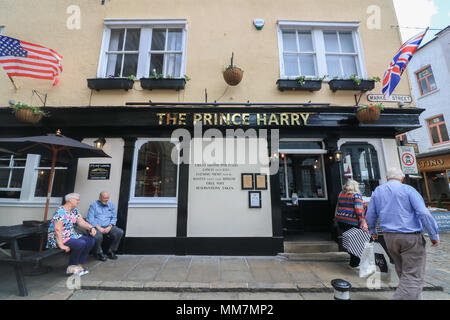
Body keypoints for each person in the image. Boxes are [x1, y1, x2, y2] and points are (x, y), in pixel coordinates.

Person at [366, 167, 440, 300]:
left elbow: (370, 214)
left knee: (404, 273)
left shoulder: (378, 191)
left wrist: (372, 230)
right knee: (413, 276)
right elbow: (423, 213)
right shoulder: (408, 190)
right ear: (402, 178)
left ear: (387, 178)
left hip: (389, 237)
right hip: (410, 237)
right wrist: (434, 235)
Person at [47, 193, 96, 276]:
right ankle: (71, 267)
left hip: (71, 236)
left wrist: (91, 228)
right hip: (58, 238)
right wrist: (61, 245)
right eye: (77, 199)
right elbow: (57, 229)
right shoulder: (60, 211)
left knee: (90, 241)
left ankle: (79, 264)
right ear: (70, 200)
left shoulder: (74, 210)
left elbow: (81, 222)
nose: (79, 201)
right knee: (80, 243)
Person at [335, 179, 368, 268]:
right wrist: (363, 220)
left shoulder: (341, 194)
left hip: (342, 221)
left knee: (349, 241)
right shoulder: (356, 195)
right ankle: (355, 263)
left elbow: (340, 206)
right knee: (356, 242)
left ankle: (352, 261)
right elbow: (359, 210)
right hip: (352, 221)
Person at [87, 191, 124, 261]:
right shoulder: (93, 205)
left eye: (107, 198)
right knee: (98, 236)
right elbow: (90, 219)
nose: (106, 199)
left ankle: (111, 251)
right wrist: (99, 228)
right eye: (104, 198)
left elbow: (114, 217)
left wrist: (110, 226)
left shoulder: (111, 205)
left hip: (108, 226)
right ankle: (99, 253)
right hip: (96, 226)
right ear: (100, 198)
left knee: (119, 232)